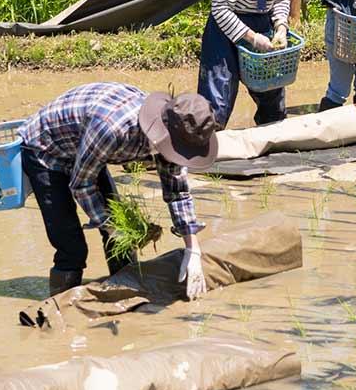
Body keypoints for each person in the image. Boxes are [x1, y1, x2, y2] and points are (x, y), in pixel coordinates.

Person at [18, 82, 219, 297]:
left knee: (121, 241)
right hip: (46, 151)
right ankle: (61, 310)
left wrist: (193, 249)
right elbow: (81, 184)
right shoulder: (113, 130)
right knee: (72, 247)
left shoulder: (175, 134)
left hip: (85, 148)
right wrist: (111, 227)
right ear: (162, 135)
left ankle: (126, 295)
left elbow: (177, 192)